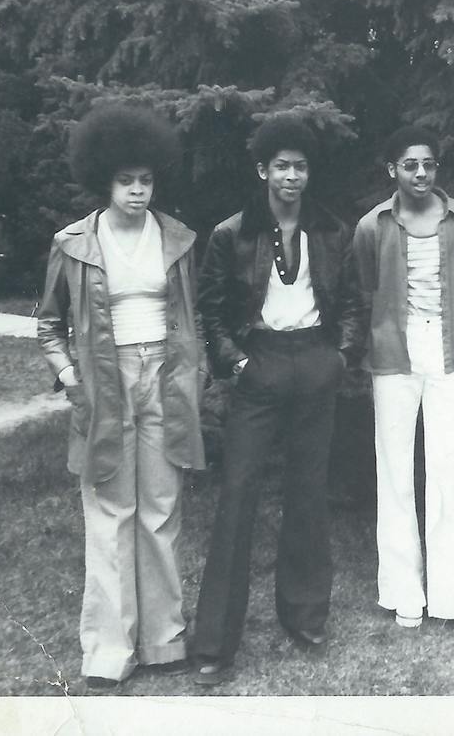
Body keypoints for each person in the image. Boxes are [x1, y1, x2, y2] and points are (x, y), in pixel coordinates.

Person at [36, 102, 206, 694]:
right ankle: (108, 650)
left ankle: (163, 640)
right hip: (103, 383)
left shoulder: (178, 239)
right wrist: (69, 377)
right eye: (125, 181)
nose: (137, 191)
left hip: (165, 377)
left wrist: (194, 373)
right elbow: (48, 324)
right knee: (110, 515)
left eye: (146, 180)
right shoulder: (75, 243)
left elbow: (191, 317)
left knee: (160, 508)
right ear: (104, 180)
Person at [190, 111, 364, 686]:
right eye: (282, 166)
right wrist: (236, 362)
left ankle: (305, 616)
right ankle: (216, 640)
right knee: (238, 492)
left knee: (308, 493)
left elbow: (352, 306)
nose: (292, 177)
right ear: (263, 169)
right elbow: (210, 311)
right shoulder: (231, 233)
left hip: (314, 362)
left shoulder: (332, 230)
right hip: (258, 365)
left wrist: (338, 356)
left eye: (301, 167)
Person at [350, 125, 454, 634]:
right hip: (392, 354)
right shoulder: (373, 226)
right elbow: (364, 294)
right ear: (392, 169)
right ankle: (403, 591)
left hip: (449, 351)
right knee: (394, 472)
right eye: (409, 164)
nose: (420, 173)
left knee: (451, 469)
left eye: (428, 164)